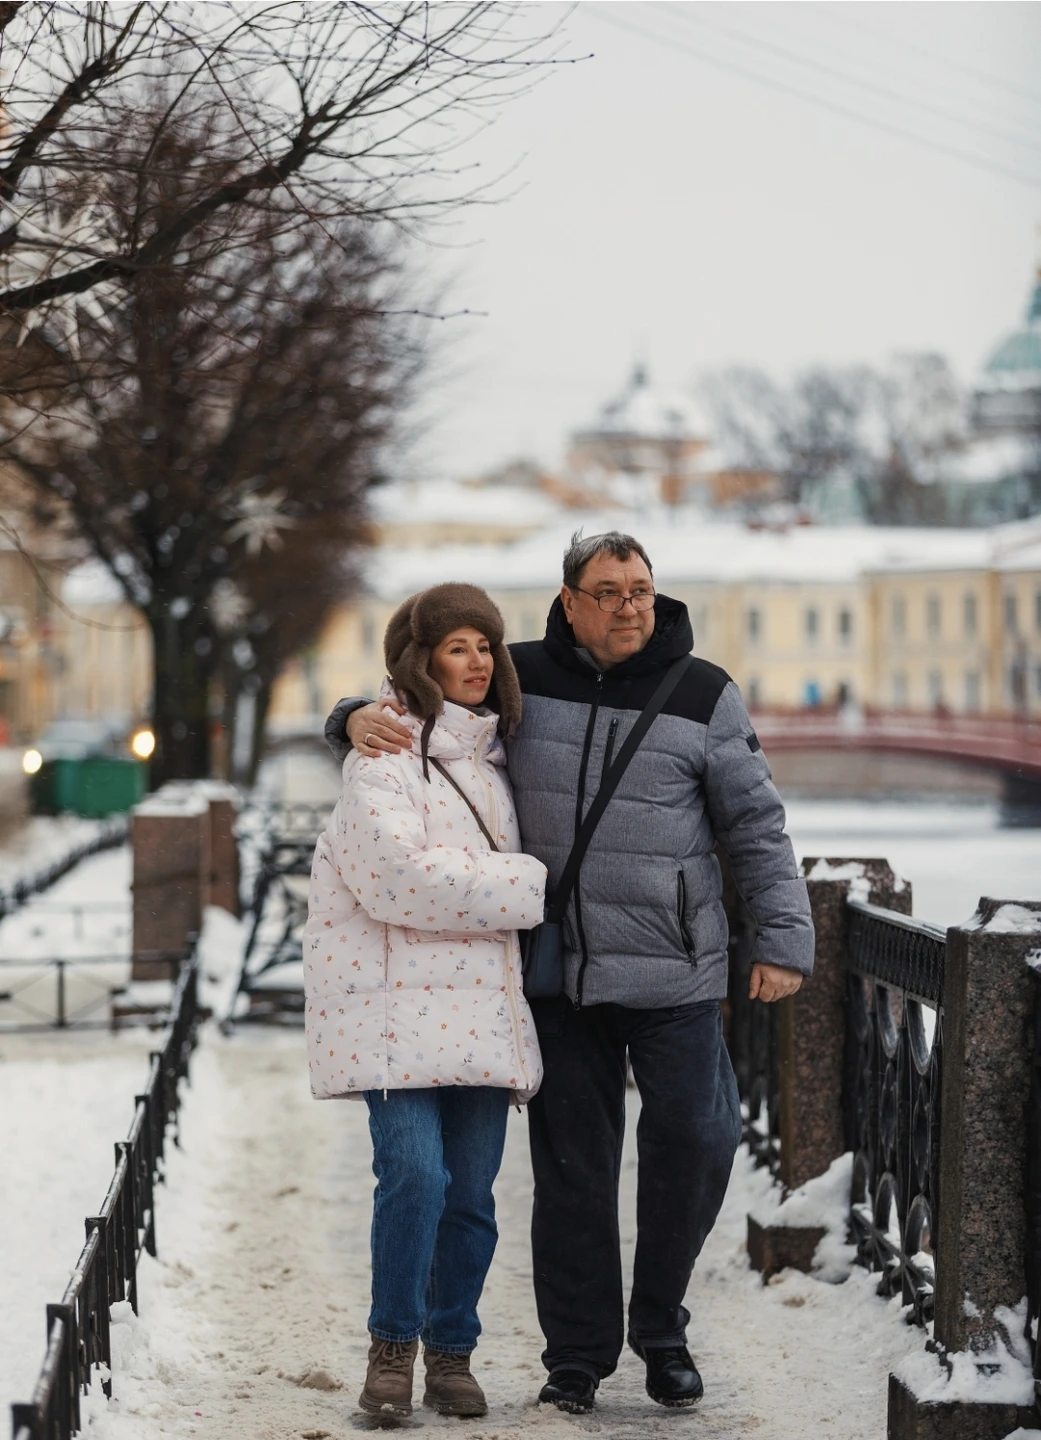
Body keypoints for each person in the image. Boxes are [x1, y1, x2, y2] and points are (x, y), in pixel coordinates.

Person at [327, 532, 815, 1415]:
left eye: (641, 589)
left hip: (675, 969)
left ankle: (659, 1328)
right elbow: (427, 696)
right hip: (561, 976)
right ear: (569, 600)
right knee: (572, 1177)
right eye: (609, 590)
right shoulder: (520, 678)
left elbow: (754, 823)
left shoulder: (704, 692)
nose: (630, 605)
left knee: (697, 1144)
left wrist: (782, 938)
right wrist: (350, 716)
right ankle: (578, 1358)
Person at [304, 583, 547, 1421]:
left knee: (471, 1196)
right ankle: (391, 1350)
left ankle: (452, 1355)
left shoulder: (501, 755)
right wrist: (523, 886)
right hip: (390, 1014)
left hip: (481, 1011)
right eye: (456, 647)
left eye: (485, 646)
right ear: (421, 660)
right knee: (414, 1176)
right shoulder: (381, 754)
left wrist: (472, 888)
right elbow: (397, 878)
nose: (476, 662)